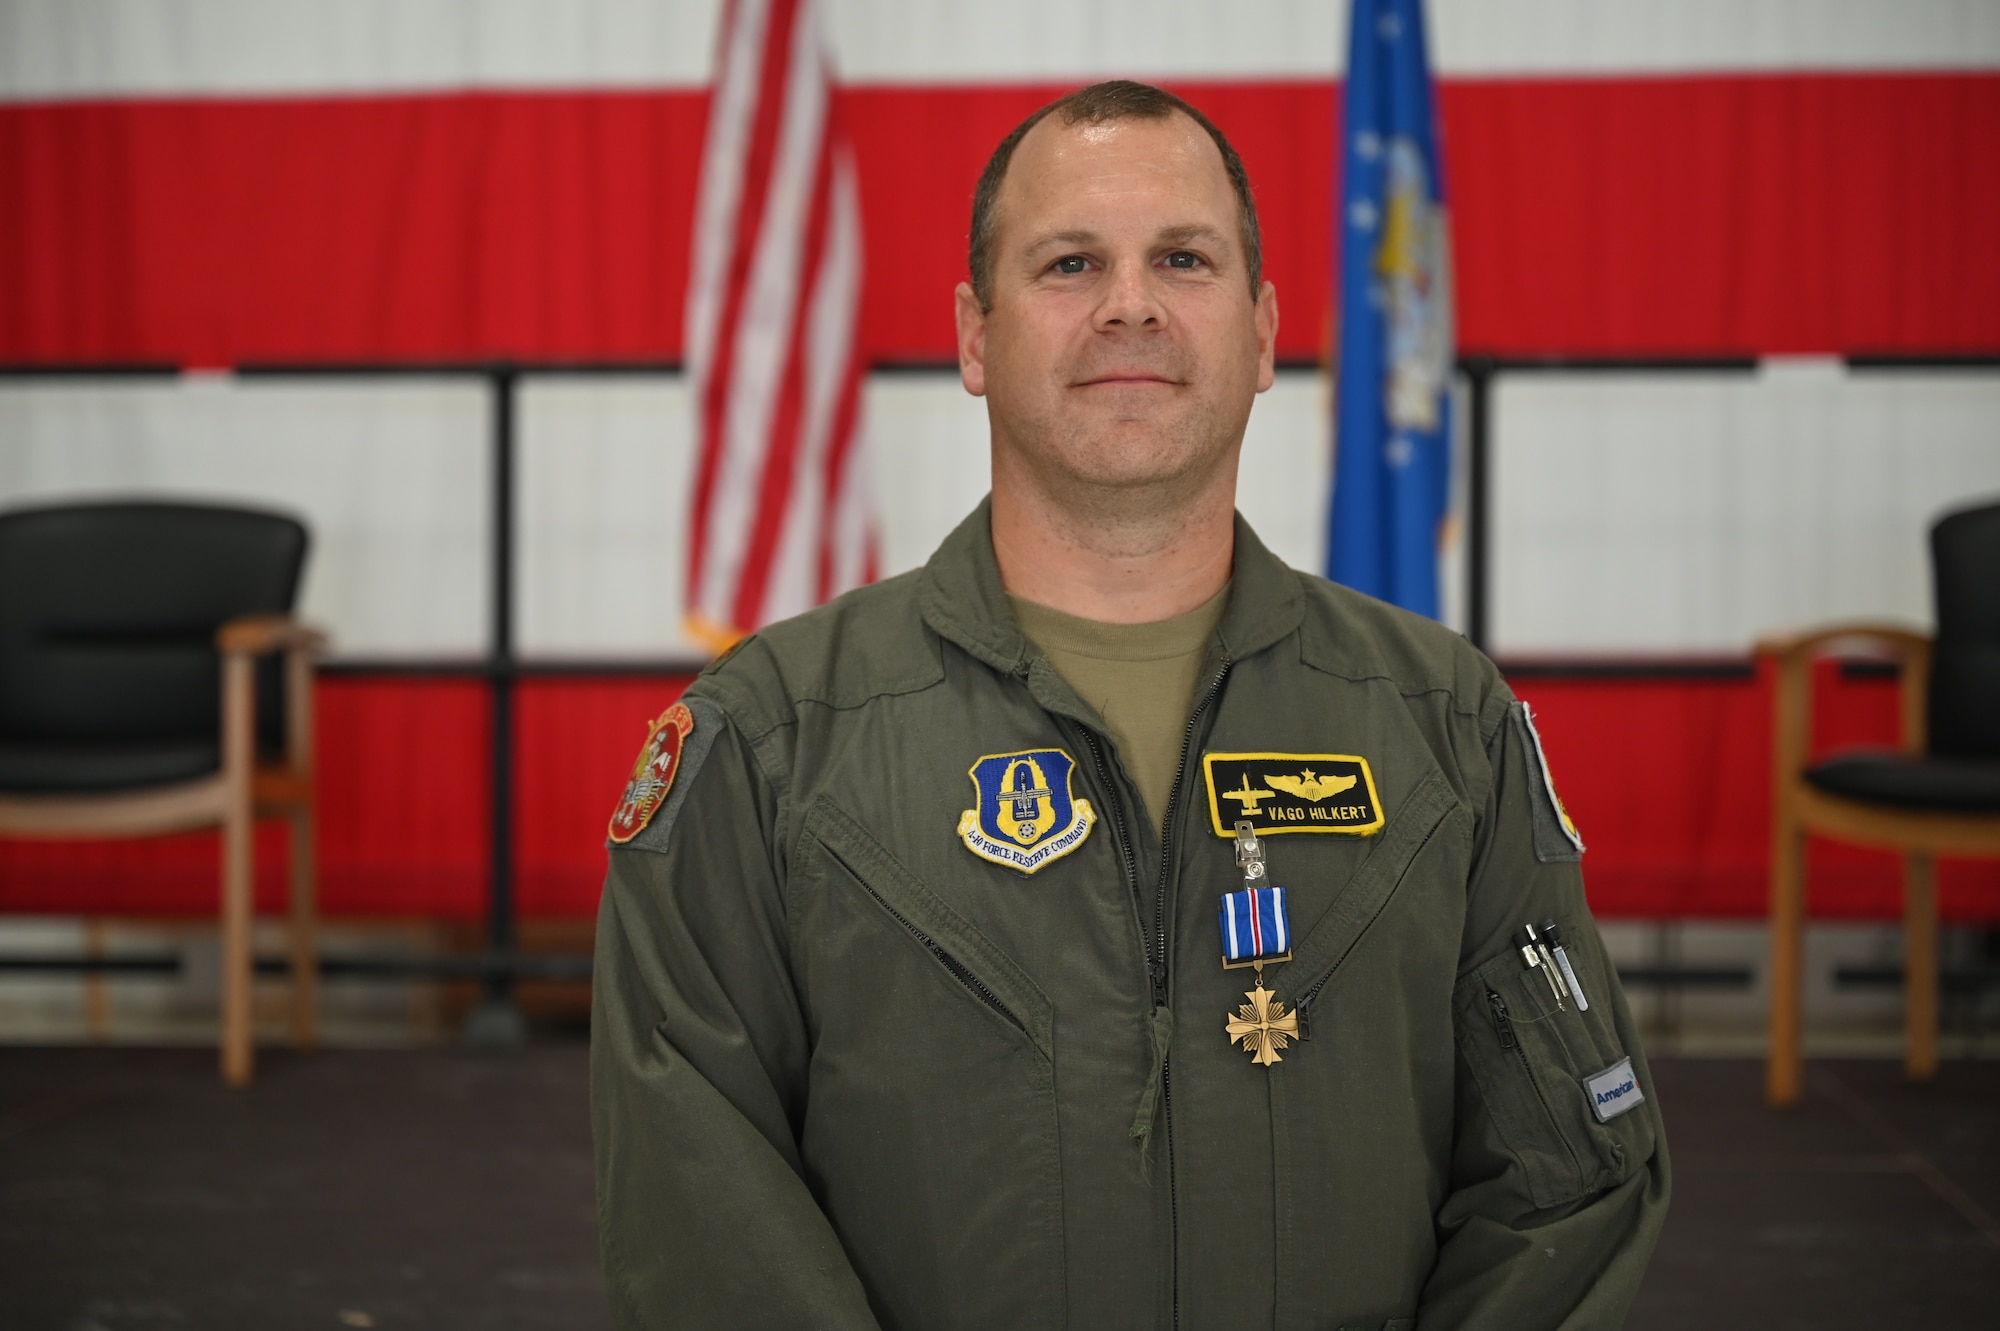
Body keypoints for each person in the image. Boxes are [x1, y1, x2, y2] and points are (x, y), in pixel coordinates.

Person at [592, 80, 1668, 1330]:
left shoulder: (1442, 723)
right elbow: (698, 1204)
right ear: (973, 337)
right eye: (1066, 263)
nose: (1129, 303)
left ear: (1262, 334)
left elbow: (1568, 1170)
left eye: (1181, 257)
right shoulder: (770, 740)